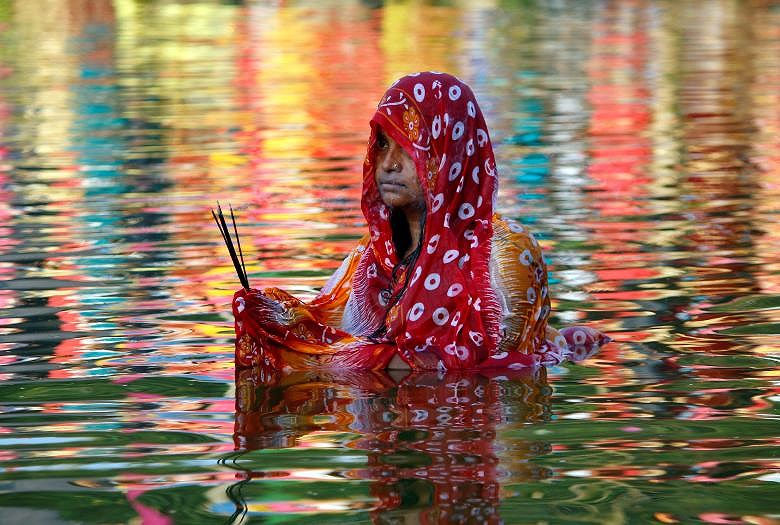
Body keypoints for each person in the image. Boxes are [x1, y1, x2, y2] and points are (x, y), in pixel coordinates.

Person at [232, 72, 610, 371]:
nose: (389, 163)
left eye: (410, 147)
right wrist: (276, 321)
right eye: (382, 144)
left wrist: (321, 357)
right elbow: (329, 328)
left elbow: (483, 361)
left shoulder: (502, 252)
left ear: (451, 153)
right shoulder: (368, 260)